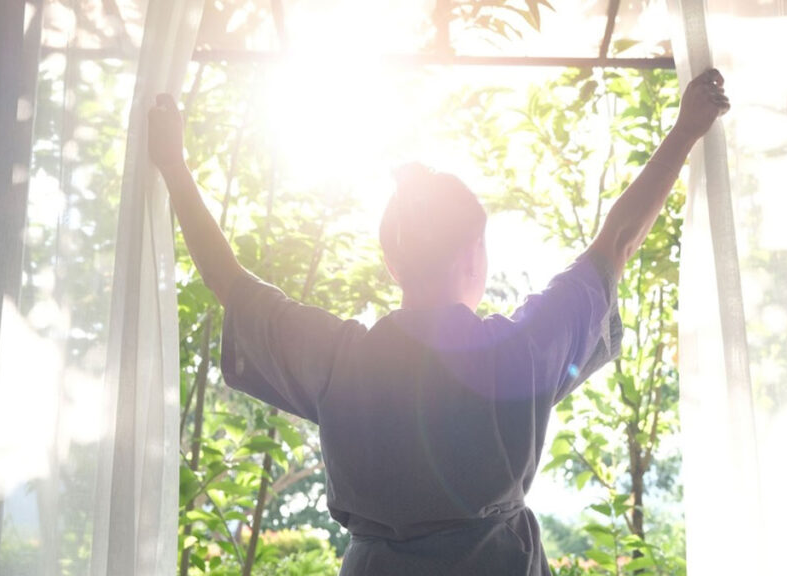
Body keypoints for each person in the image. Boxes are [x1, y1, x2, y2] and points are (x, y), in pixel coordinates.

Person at [149, 68, 729, 576]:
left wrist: (174, 167)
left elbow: (231, 282)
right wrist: (685, 130)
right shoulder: (521, 351)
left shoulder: (338, 360)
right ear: (475, 255)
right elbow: (617, 242)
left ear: (391, 262)